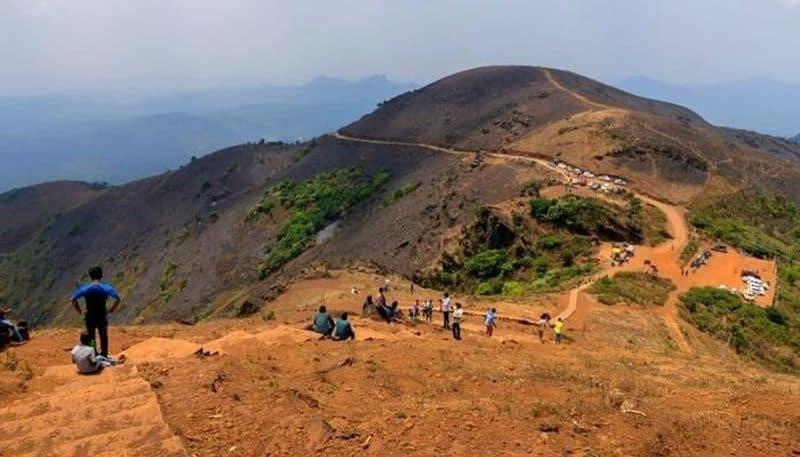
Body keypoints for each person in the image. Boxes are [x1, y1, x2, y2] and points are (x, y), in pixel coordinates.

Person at [70, 266, 121, 357]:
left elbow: (73, 300)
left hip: (90, 316)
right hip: (102, 315)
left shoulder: (85, 289)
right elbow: (117, 299)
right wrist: (111, 310)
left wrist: (80, 311)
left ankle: (93, 354)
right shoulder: (106, 288)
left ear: (90, 277)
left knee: (91, 337)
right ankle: (104, 354)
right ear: (101, 276)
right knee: (103, 336)